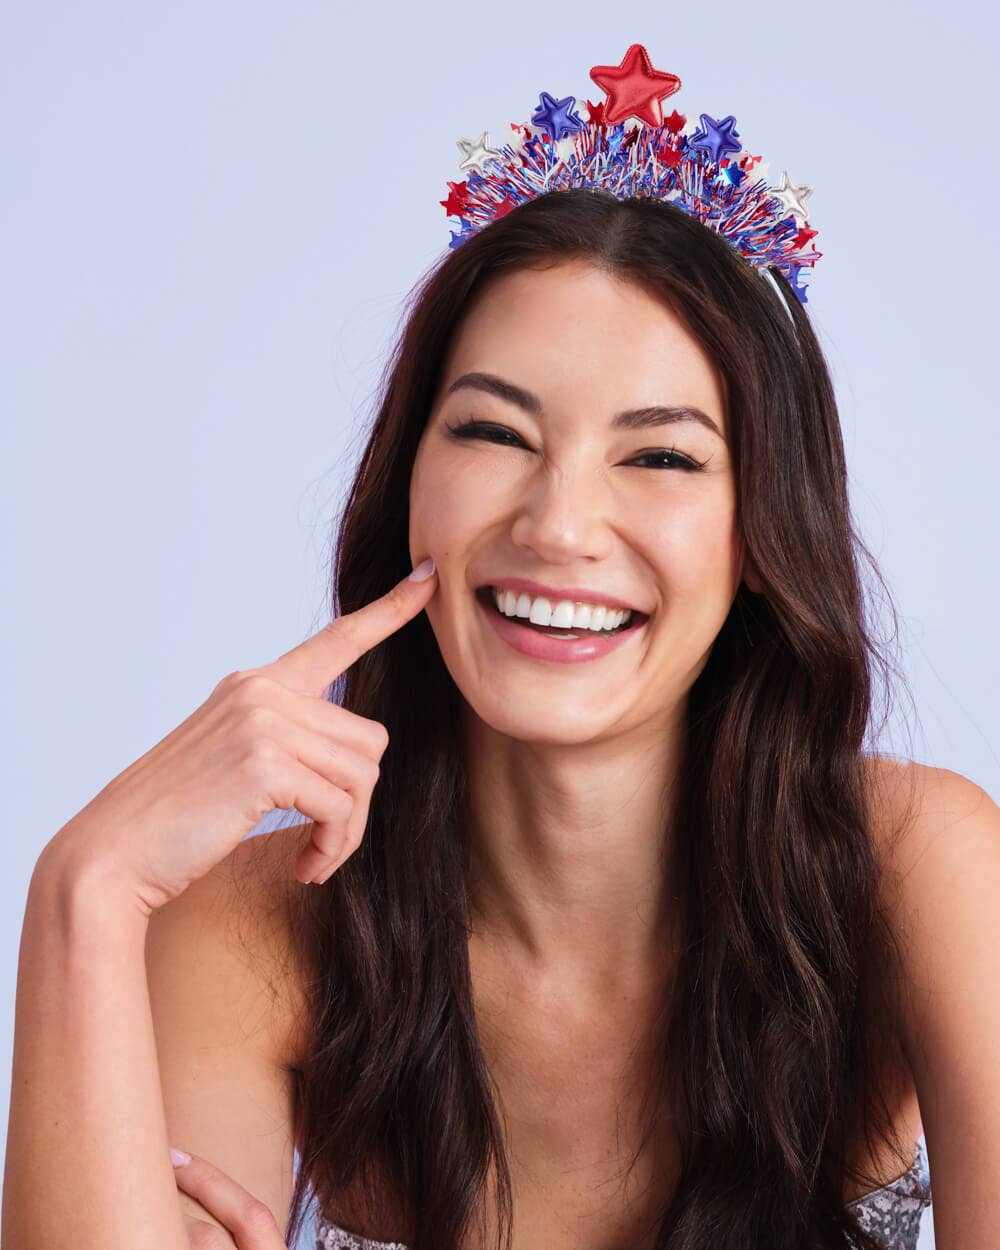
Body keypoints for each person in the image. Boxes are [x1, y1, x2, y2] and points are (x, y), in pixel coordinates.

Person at [5, 45, 997, 1250]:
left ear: (760, 529)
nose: (558, 525)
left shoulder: (923, 870)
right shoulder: (251, 938)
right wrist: (86, 889)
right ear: (408, 481)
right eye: (493, 431)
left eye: (661, 454)